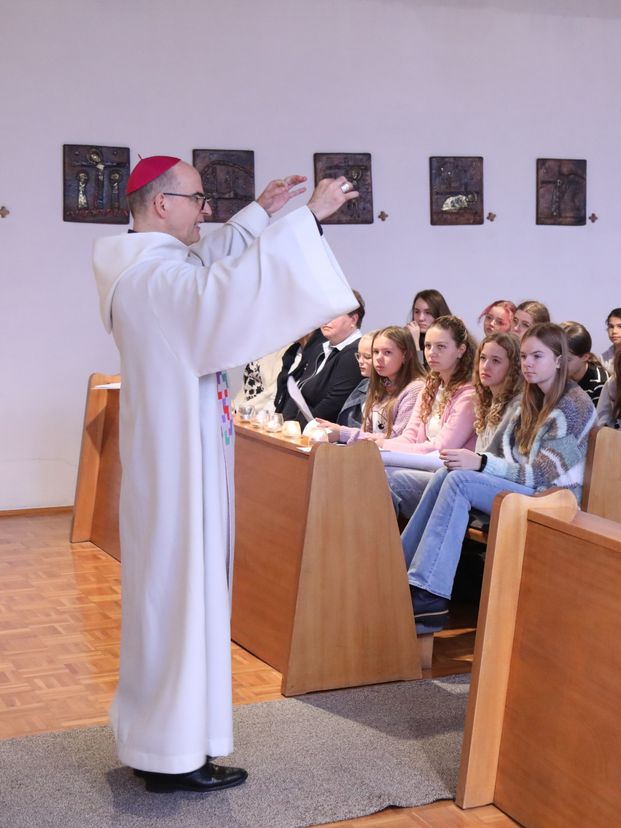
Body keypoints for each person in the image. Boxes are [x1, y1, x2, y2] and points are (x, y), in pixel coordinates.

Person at [91, 156, 358, 790]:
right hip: (178, 473)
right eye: (198, 199)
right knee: (181, 603)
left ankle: (171, 743)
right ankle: (172, 756)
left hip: (171, 463)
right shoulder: (157, 280)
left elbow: (212, 269)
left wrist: (262, 213)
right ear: (162, 205)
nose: (206, 211)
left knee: (173, 603)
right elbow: (224, 293)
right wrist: (308, 219)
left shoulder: (145, 268)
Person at [402, 323, 596, 632]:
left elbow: (540, 475)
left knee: (460, 482)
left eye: (537, 356)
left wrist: (480, 462)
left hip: (555, 498)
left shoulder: (575, 405)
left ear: (559, 360)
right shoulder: (527, 399)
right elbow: (497, 453)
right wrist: (474, 461)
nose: (528, 364)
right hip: (524, 488)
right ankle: (399, 569)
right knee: (446, 473)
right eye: (524, 357)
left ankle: (428, 596)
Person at [382, 317, 478, 518]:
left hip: (447, 474)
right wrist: (379, 447)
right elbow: (409, 437)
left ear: (461, 350)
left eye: (441, 347)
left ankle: (380, 538)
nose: (431, 353)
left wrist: (382, 449)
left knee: (383, 477)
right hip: (424, 466)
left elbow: (440, 450)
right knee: (368, 468)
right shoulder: (431, 385)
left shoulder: (469, 395)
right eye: (427, 346)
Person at [315, 325, 424, 442]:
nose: (378, 358)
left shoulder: (415, 388)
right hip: (371, 451)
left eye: (387, 352)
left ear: (406, 356)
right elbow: (366, 432)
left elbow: (396, 439)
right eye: (375, 352)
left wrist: (342, 433)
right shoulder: (382, 384)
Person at [279, 289, 367, 424]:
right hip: (301, 428)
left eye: (334, 314)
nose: (326, 320)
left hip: (324, 431)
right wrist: (285, 423)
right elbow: (300, 389)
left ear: (353, 320)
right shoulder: (320, 348)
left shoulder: (356, 352)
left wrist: (299, 428)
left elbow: (334, 403)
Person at [472, 331, 525, 448]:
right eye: (483, 358)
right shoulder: (489, 400)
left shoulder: (518, 406)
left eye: (496, 361)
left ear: (513, 367)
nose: (485, 366)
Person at [561, 321, 609, 404]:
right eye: (558, 357)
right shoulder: (560, 374)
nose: (560, 364)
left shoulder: (599, 384)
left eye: (568, 359)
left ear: (585, 357)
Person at [335, 331, 375, 428]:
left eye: (367, 357)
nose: (360, 361)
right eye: (358, 356)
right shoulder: (364, 384)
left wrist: (341, 432)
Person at [407, 289, 452, 365]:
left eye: (428, 313)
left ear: (439, 314)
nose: (421, 318)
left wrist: (415, 345)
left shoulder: (448, 341)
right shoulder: (410, 336)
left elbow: (421, 371)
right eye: (417, 312)